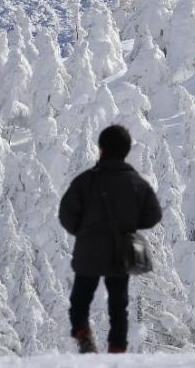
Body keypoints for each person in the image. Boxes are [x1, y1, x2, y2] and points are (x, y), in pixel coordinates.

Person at [59, 125, 161, 354]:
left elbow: (66, 213)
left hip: (89, 251)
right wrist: (131, 224)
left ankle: (83, 336)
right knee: (118, 305)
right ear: (125, 151)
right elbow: (153, 215)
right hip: (120, 252)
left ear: (101, 149)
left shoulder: (85, 181)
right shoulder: (137, 183)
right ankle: (117, 351)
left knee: (80, 300)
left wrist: (82, 231)